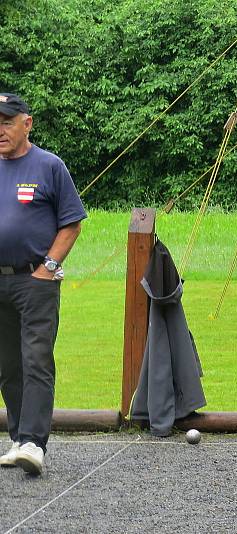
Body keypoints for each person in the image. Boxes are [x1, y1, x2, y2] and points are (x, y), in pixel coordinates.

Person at [0, 93, 86, 475]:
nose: (0, 130)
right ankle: (18, 437)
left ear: (26, 124)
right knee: (7, 365)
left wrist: (49, 266)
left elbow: (72, 222)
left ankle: (34, 442)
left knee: (36, 359)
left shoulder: (49, 166)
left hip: (35, 279)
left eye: (6, 121)